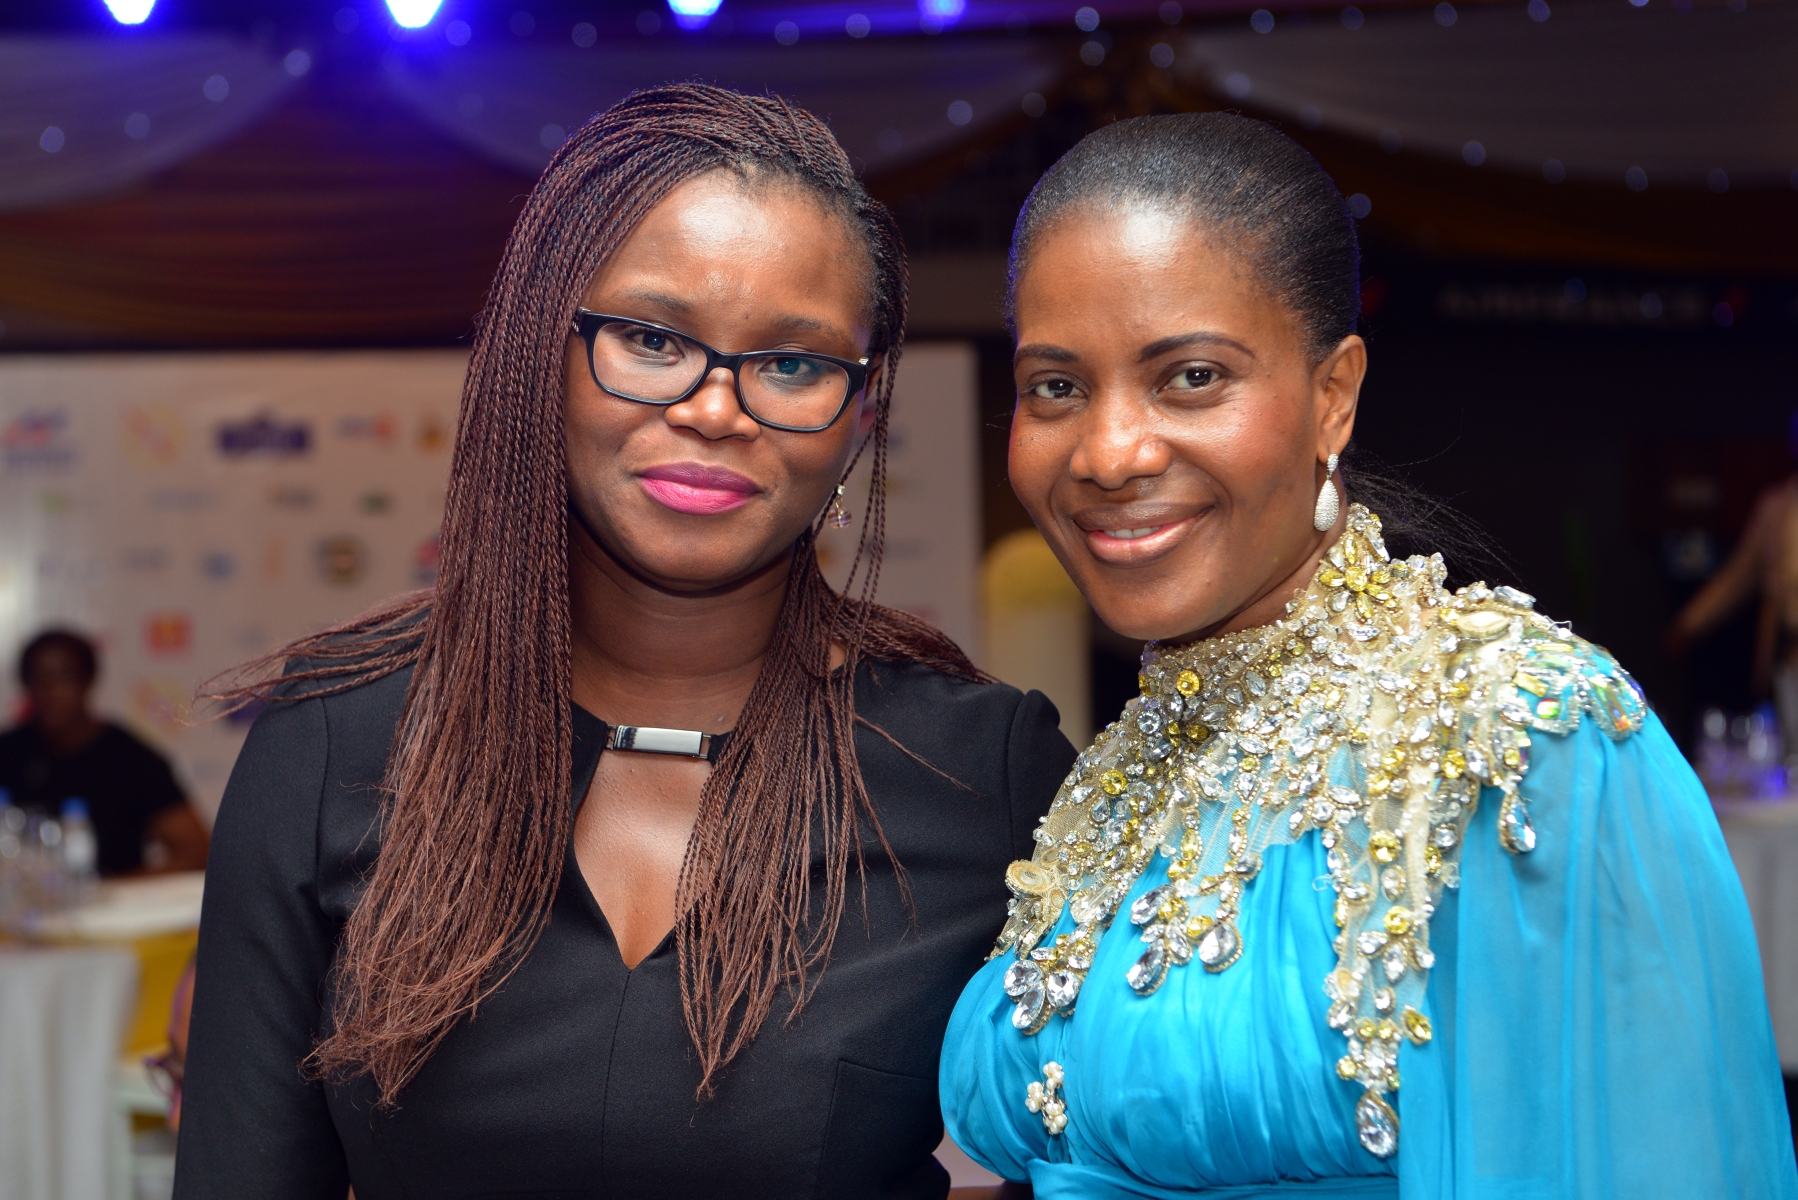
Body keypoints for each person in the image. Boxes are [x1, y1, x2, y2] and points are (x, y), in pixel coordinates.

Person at [174, 85, 1073, 1200]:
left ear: (861, 413)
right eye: (651, 339)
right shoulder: (329, 745)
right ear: (538, 353)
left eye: (793, 363)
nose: (715, 408)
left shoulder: (982, 773)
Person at [940, 113, 1797, 1199]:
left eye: (1191, 376)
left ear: (1332, 396)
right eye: (1055, 387)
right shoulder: (1122, 767)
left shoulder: (1517, 728)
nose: (1109, 454)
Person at [0, 628, 208, 875]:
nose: (51, 690)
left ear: (89, 680)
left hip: (111, 896)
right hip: (19, 898)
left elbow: (196, 851)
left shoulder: (130, 758)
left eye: (65, 677)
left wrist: (115, 890)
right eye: (38, 678)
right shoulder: (8, 752)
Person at [1668, 413, 1798, 771]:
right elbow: (1738, 575)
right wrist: (1689, 623)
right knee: (1788, 755)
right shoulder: (1777, 506)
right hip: (1787, 653)